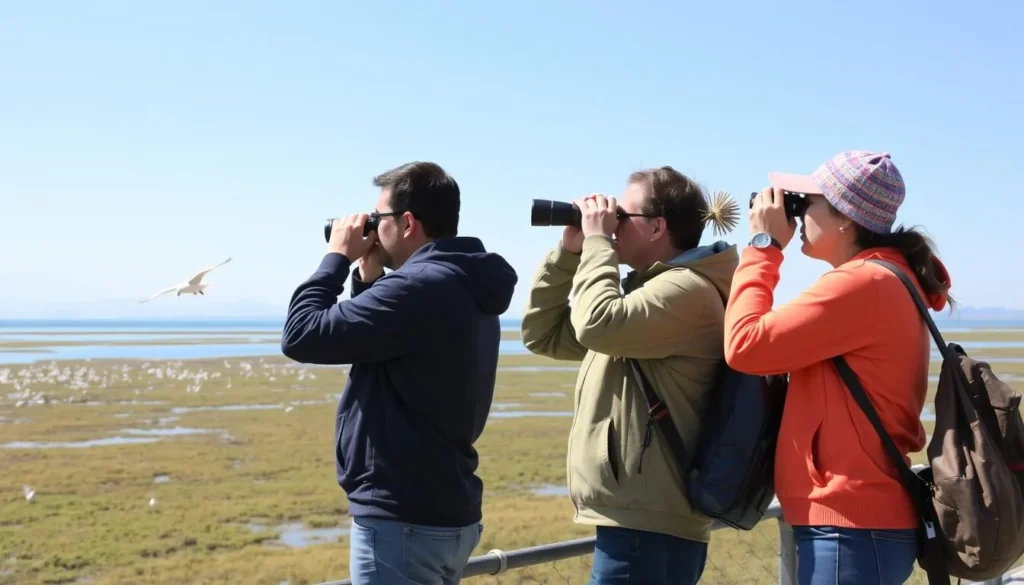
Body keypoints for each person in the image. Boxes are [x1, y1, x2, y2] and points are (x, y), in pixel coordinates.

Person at [281, 161, 518, 585]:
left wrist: (335, 258)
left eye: (378, 218)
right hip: (444, 509)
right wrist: (368, 281)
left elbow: (302, 334)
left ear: (407, 222)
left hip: (402, 519)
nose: (370, 227)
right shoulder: (464, 281)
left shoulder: (418, 287)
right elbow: (392, 349)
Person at [723, 151, 954, 585]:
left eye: (806, 202)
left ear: (845, 218)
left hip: (849, 526)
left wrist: (763, 247)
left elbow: (745, 345)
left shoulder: (864, 283)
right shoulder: (886, 278)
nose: (796, 213)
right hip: (860, 526)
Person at [520, 166, 740, 585]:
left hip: (649, 529)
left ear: (658, 226)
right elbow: (544, 335)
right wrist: (568, 256)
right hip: (642, 522)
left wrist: (598, 242)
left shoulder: (686, 292)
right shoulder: (649, 295)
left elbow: (596, 323)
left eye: (622, 214)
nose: (611, 221)